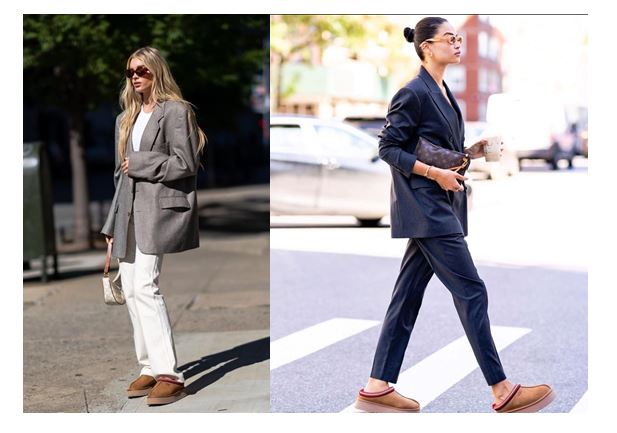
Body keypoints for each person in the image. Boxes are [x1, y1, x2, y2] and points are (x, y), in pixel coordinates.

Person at [354, 18, 555, 413]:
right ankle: (501, 389)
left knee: (407, 296)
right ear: (427, 46)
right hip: (427, 208)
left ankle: (377, 387)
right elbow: (388, 148)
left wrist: (471, 151)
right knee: (472, 290)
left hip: (437, 207)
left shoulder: (443, 91)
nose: (458, 43)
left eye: (459, 38)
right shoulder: (412, 92)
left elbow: (431, 145)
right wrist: (435, 174)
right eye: (450, 38)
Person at [100, 46, 206, 406]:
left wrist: (143, 162)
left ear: (156, 71)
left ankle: (170, 376)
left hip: (158, 210)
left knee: (145, 285)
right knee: (130, 289)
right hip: (128, 212)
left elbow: (185, 163)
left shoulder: (176, 111)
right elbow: (120, 174)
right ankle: (148, 365)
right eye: (131, 71)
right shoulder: (125, 117)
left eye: (142, 70)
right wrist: (112, 223)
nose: (135, 76)